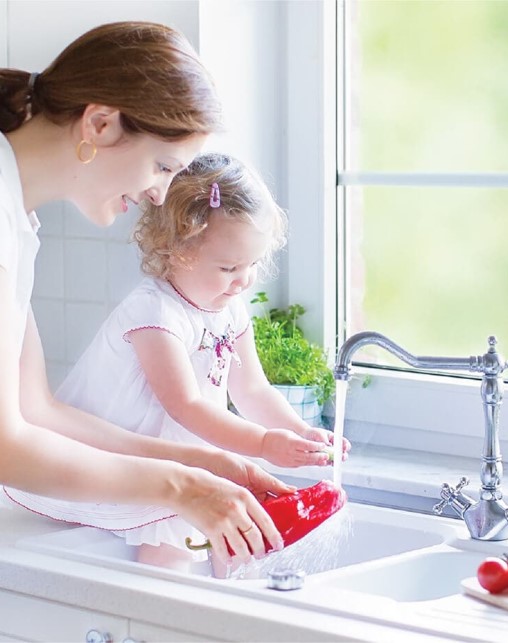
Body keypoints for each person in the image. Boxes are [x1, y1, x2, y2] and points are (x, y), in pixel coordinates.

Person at [0, 20, 304, 567]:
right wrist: (179, 487)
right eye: (163, 166)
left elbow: (36, 411)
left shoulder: (16, 219)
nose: (158, 195)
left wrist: (203, 465)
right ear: (100, 123)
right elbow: (7, 447)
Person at [6, 152, 350, 574]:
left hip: (183, 458)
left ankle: (222, 612)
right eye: (229, 267)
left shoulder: (230, 308)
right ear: (175, 250)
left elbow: (253, 390)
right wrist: (263, 444)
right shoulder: (154, 314)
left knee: (225, 533)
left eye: (253, 264)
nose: (244, 280)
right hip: (125, 461)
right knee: (169, 542)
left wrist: (298, 433)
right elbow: (185, 405)